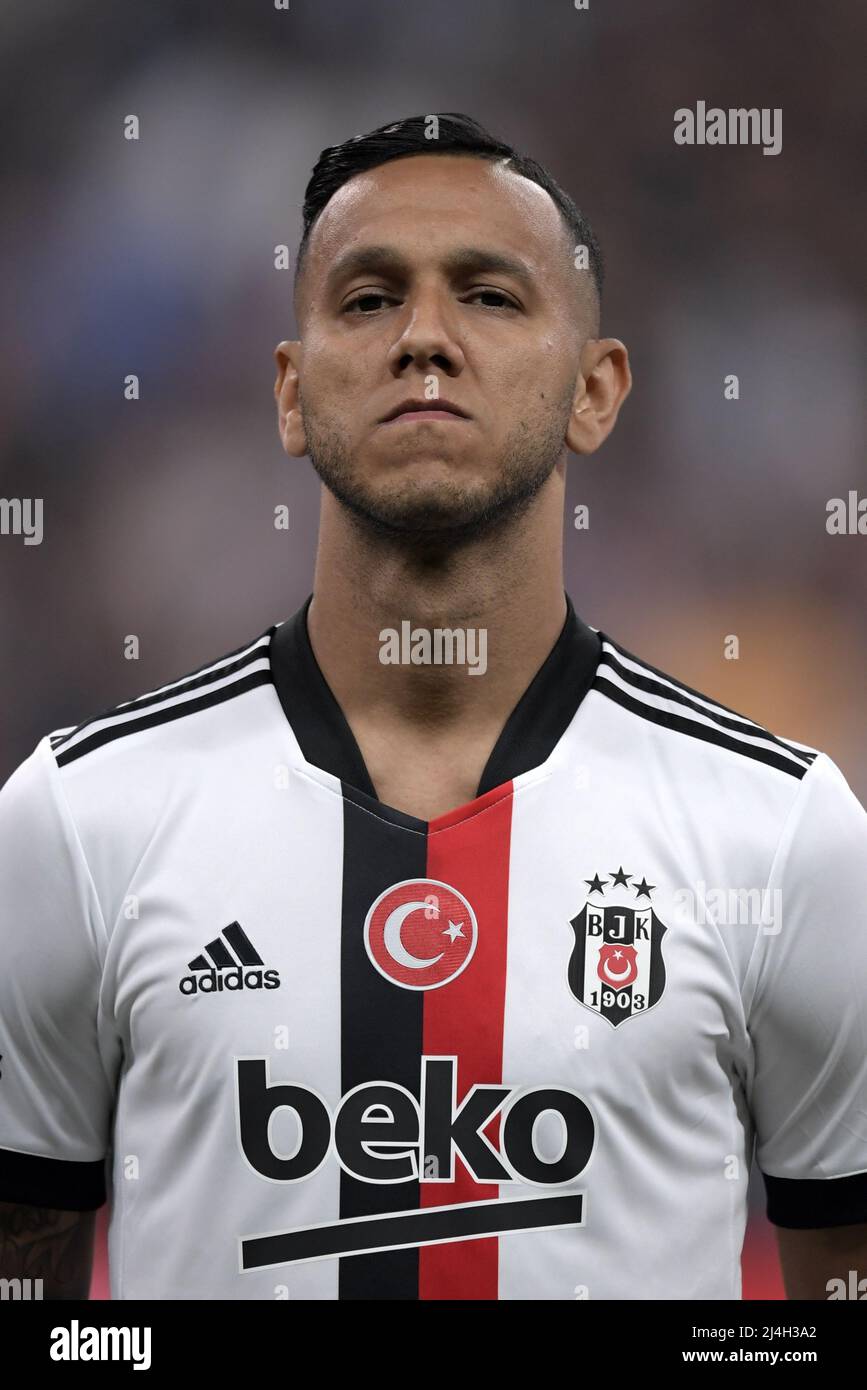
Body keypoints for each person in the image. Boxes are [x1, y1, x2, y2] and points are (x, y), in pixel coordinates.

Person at [1, 113, 865, 1301]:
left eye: (491, 297)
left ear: (596, 390)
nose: (424, 338)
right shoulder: (76, 822)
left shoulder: (782, 835)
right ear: (292, 395)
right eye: (367, 299)